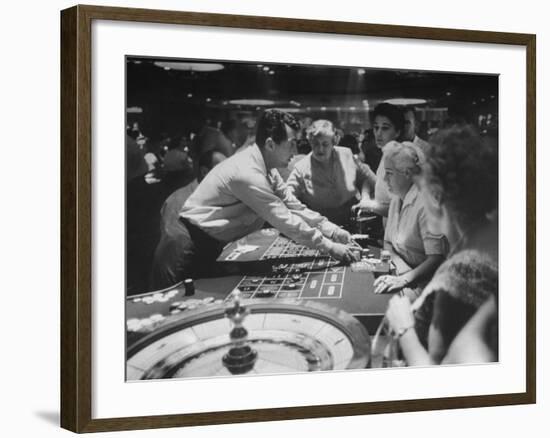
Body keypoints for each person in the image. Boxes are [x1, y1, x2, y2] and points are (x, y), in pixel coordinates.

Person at [178, 109, 359, 280]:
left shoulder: (269, 170)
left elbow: (293, 206)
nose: (295, 151)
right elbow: (285, 219)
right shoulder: (247, 173)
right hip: (189, 245)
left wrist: (332, 230)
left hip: (212, 242)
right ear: (271, 144)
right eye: (291, 144)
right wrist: (330, 247)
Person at [384, 125, 499, 365]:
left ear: (436, 195)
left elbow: (441, 381)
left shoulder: (462, 274)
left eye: (423, 186)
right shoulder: (494, 236)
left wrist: (403, 325)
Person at [373, 141, 447, 300]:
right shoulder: (396, 197)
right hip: (405, 275)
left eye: (389, 172)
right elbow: (388, 243)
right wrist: (402, 270)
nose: (385, 179)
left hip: (429, 288)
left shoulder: (427, 203)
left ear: (407, 173)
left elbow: (437, 259)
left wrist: (405, 279)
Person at [150, 150, 227, 290]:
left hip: (197, 272)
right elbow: (175, 251)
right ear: (205, 172)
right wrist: (173, 293)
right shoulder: (182, 202)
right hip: (180, 283)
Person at [286, 120, 376, 227]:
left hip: (352, 223)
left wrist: (365, 197)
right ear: (310, 142)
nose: (320, 149)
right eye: (315, 144)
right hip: (322, 227)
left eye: (325, 144)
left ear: (334, 142)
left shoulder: (346, 154)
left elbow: (365, 179)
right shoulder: (301, 168)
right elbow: (287, 196)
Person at [355, 103, 405, 218]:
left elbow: (401, 207)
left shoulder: (399, 158)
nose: (378, 133)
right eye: (376, 127)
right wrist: (365, 196)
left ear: (397, 132)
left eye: (385, 128)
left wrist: (369, 205)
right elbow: (373, 182)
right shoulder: (385, 155)